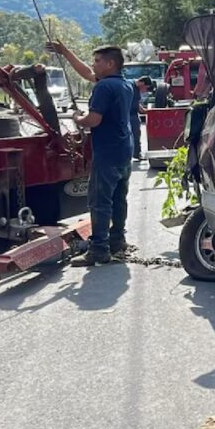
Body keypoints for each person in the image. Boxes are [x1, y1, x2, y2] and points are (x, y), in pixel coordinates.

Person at [56, 45, 134, 266]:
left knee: (100, 202)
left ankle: (99, 249)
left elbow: (94, 120)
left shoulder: (103, 87)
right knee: (119, 199)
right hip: (123, 151)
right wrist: (66, 52)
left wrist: (77, 118)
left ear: (110, 64)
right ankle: (117, 240)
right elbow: (87, 73)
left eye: (97, 60)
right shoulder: (124, 84)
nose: (93, 64)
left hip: (107, 153)